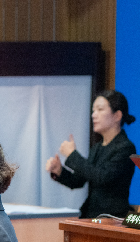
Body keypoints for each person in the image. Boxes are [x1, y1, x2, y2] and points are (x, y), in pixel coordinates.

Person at [45, 90, 137, 219]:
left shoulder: (126, 147)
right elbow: (78, 181)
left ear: (117, 116)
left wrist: (72, 155)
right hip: (93, 216)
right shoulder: (97, 147)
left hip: (114, 218)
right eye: (93, 111)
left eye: (100, 110)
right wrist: (59, 171)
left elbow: (102, 177)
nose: (94, 115)